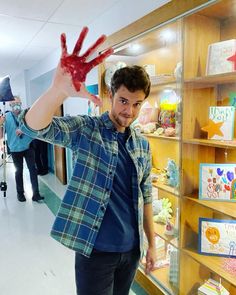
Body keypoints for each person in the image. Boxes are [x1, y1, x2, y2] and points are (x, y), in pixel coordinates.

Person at [19, 27, 157, 295]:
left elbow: (146, 196)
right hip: (95, 252)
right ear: (111, 96)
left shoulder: (141, 144)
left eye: (137, 104)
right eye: (123, 101)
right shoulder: (87, 130)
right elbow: (35, 127)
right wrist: (57, 92)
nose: (129, 111)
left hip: (131, 252)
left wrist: (151, 243)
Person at [0, 97, 44, 202]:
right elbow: (1, 134)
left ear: (21, 103)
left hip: (28, 147)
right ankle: (20, 194)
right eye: (14, 104)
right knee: (18, 172)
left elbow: (34, 129)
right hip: (15, 149)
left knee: (33, 170)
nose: (16, 106)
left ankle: (36, 194)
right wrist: (0, 124)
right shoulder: (6, 117)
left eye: (18, 103)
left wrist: (23, 130)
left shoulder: (26, 115)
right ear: (10, 106)